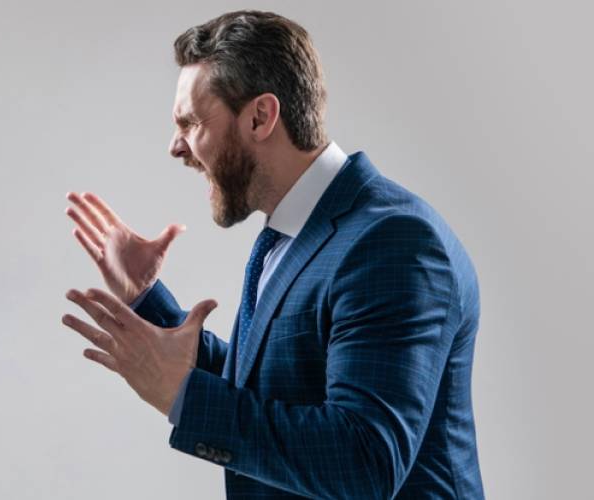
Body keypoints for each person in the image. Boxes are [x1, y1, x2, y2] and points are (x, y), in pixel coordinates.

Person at [60, 10, 484, 499]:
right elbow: (277, 386)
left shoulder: (394, 243)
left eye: (190, 122)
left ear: (260, 117)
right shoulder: (290, 233)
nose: (176, 147)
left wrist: (184, 396)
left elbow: (364, 463)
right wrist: (148, 299)